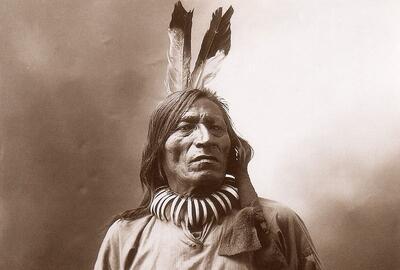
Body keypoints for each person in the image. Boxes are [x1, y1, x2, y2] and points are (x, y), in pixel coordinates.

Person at [94, 2, 323, 270]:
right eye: (186, 127)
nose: (205, 139)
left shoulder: (278, 222)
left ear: (233, 149)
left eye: (216, 128)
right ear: (159, 152)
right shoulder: (126, 237)